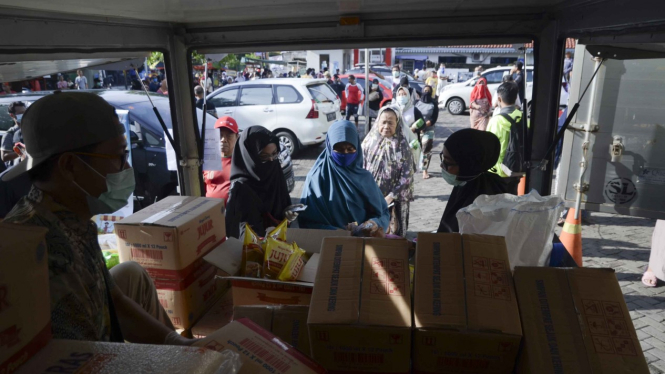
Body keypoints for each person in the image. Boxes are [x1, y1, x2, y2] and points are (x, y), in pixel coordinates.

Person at [1, 92, 193, 344]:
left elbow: (114, 300)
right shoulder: (46, 253)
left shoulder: (70, 216)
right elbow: (88, 356)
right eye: (119, 157)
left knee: (131, 273)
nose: (126, 169)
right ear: (70, 166)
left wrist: (177, 344)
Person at [298, 120, 390, 233]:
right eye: (339, 149)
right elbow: (306, 221)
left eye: (350, 149)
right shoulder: (316, 179)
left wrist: (374, 223)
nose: (345, 153)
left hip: (362, 244)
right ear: (329, 147)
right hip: (327, 244)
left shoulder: (365, 178)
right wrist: (337, 232)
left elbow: (384, 213)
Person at [225, 126, 297, 238]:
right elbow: (242, 232)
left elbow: (282, 206)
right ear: (249, 157)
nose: (271, 160)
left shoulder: (275, 171)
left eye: (274, 153)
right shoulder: (241, 188)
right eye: (264, 156)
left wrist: (287, 217)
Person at [436, 129, 511, 233]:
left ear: (468, 165)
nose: (441, 165)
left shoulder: (479, 208)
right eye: (443, 158)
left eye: (447, 161)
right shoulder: (471, 182)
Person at [362, 106, 416, 237]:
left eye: (390, 122)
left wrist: (391, 196)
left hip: (395, 200)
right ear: (378, 122)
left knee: (394, 236)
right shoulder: (368, 143)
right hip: (372, 199)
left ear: (397, 123)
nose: (386, 126)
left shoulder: (402, 146)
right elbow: (361, 169)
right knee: (372, 232)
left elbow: (407, 176)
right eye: (383, 122)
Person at [486, 81, 522, 193]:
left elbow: (489, 147)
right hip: (516, 169)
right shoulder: (523, 117)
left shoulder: (496, 121)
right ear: (516, 98)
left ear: (499, 99)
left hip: (498, 170)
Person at [203, 116, 238, 204]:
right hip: (212, 213)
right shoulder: (209, 159)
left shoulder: (241, 160)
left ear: (237, 137)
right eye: (220, 135)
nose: (223, 140)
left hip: (234, 214)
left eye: (229, 135)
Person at [414, 85, 439, 179]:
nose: (426, 92)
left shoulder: (434, 103)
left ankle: (425, 170)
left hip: (428, 130)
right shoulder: (416, 103)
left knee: (426, 150)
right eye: (425, 90)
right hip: (416, 130)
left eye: (428, 91)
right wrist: (418, 127)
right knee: (416, 150)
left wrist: (424, 125)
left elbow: (434, 118)